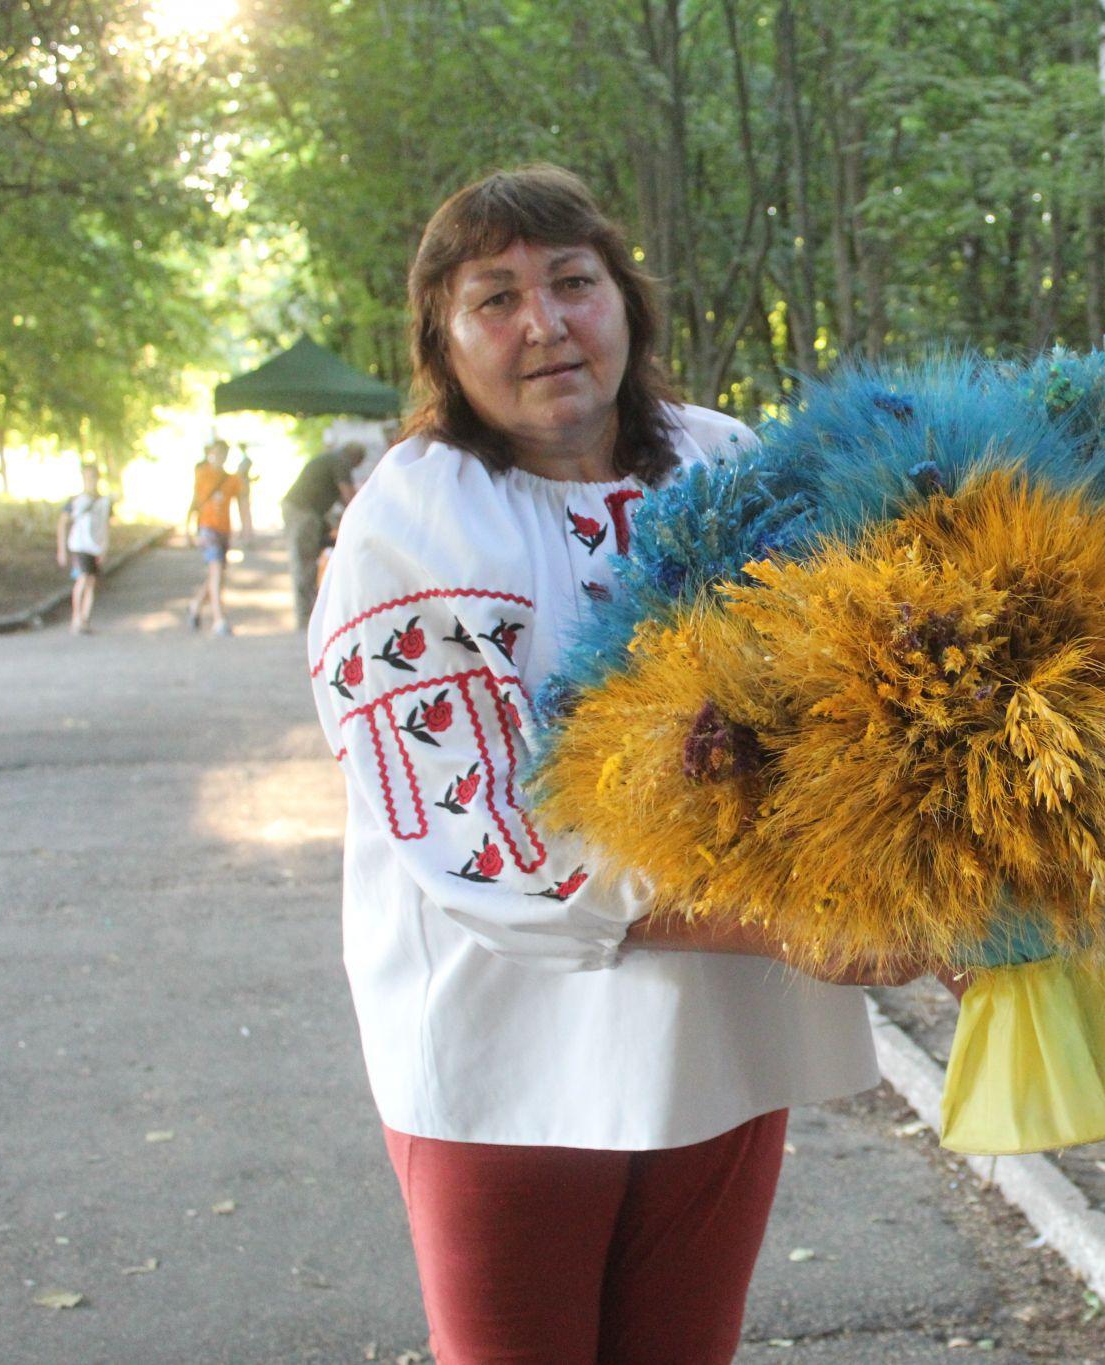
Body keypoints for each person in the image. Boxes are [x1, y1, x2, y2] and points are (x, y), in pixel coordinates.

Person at [306, 164, 913, 1365]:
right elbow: (483, 842)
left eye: (572, 282)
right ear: (444, 341)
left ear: (625, 300)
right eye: (496, 299)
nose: (544, 325)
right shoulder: (415, 522)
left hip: (713, 1040)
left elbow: (846, 701)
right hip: (509, 1055)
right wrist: (799, 926)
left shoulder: (726, 461)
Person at [281, 441, 363, 628]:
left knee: (306, 561)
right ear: (356, 459)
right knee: (305, 562)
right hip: (304, 513)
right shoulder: (340, 462)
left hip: (304, 511)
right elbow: (350, 498)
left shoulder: (331, 458)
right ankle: (306, 617)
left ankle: (309, 614)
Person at [186, 438, 252, 635]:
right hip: (207, 529)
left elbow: (242, 504)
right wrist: (188, 529)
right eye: (215, 453)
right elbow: (195, 502)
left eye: (222, 454)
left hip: (224, 530)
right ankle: (218, 619)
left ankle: (195, 604)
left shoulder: (232, 480)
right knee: (216, 572)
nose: (218, 457)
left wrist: (246, 527)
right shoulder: (202, 474)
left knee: (217, 574)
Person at [56, 463, 111, 635]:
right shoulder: (76, 501)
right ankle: (76, 617)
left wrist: (105, 547)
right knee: (83, 578)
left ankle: (85, 619)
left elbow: (106, 525)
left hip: (95, 547)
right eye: (88, 477)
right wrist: (62, 550)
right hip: (80, 546)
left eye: (94, 477)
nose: (91, 481)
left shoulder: (103, 502)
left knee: (91, 583)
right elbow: (62, 524)